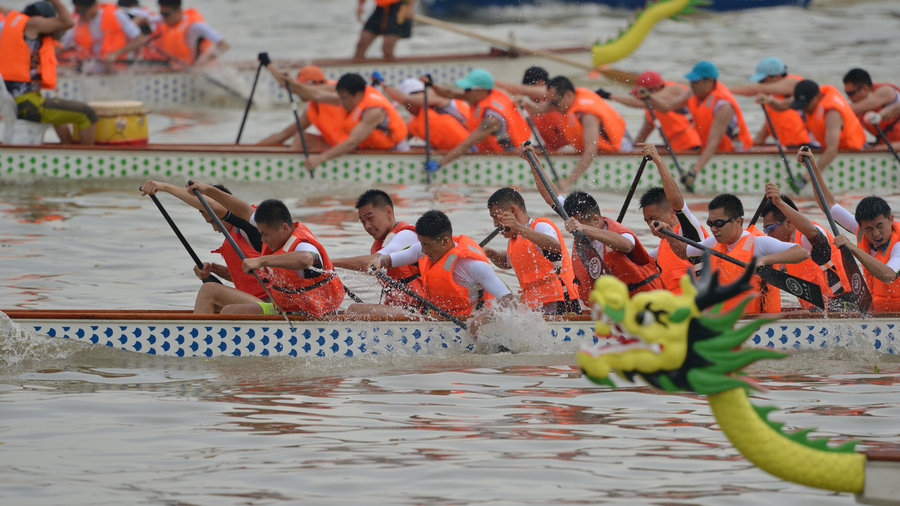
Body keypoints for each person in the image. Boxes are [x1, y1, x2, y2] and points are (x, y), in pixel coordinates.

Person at [184, 188, 346, 317]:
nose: (263, 240)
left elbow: (305, 260)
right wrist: (206, 189)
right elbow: (243, 210)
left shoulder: (301, 245)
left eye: (265, 235)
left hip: (308, 311)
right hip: (287, 305)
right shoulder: (273, 232)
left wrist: (262, 261)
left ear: (283, 228)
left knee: (223, 305)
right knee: (225, 309)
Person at [662, 192, 809, 314]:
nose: (713, 229)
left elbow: (801, 252)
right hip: (722, 319)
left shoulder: (759, 243)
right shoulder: (713, 242)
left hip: (755, 323)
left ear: (738, 221)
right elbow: (683, 252)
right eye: (710, 224)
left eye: (719, 223)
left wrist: (763, 261)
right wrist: (668, 232)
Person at [139, 179, 269, 314]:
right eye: (210, 223)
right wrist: (216, 271)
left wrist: (164, 186)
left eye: (214, 221)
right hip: (258, 302)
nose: (214, 229)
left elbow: (214, 207)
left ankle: (196, 333)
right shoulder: (234, 236)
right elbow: (257, 278)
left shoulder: (251, 225)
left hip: (273, 304)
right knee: (218, 305)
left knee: (209, 290)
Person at [369, 209, 516, 321]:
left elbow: (509, 301)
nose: (423, 250)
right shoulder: (424, 248)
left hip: (465, 321)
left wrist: (481, 322)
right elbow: (389, 260)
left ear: (445, 241)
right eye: (421, 244)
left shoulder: (472, 265)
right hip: (435, 318)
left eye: (427, 245)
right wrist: (378, 260)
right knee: (358, 309)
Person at [802, 147, 900, 312]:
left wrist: (852, 248)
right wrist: (813, 167)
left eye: (879, 226)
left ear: (890, 219)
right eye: (869, 229)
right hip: (879, 312)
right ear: (861, 226)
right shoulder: (862, 231)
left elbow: (889, 275)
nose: (875, 234)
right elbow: (829, 206)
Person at [0, 0, 99, 145]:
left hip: (18, 103)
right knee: (87, 113)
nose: (52, 25)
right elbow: (68, 22)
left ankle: (68, 152)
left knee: (59, 116)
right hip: (29, 105)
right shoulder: (33, 23)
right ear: (41, 17)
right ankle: (88, 159)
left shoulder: (13, 25)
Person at [284, 72, 409, 172]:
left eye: (344, 99)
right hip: (371, 148)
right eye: (340, 98)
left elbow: (352, 142)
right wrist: (293, 84)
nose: (341, 103)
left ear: (358, 95)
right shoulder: (353, 98)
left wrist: (320, 158)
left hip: (395, 151)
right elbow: (316, 95)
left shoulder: (374, 112)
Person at [483, 187, 580, 315]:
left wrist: (518, 228)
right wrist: (489, 252)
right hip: (535, 308)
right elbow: (506, 263)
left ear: (512, 210)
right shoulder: (515, 239)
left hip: (561, 304)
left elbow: (554, 246)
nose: (496, 224)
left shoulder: (540, 226)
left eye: (496, 217)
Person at [760, 181, 851, 310]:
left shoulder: (805, 237)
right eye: (765, 231)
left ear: (789, 222)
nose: (768, 235)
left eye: (770, 228)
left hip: (845, 306)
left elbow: (813, 233)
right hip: (821, 310)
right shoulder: (788, 249)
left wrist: (779, 203)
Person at [562, 191, 663, 303]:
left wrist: (583, 228)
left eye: (579, 226)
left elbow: (627, 245)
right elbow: (552, 197)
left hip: (644, 303)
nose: (577, 232)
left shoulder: (623, 234)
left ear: (596, 219)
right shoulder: (577, 224)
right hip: (611, 307)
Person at [332, 189, 425, 309]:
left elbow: (372, 261)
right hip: (405, 310)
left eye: (370, 218)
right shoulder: (379, 245)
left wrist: (330, 262)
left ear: (388, 212)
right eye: (363, 222)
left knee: (355, 309)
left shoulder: (406, 236)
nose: (367, 226)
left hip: (423, 311)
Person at [667, 61, 753, 188]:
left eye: (695, 81)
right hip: (713, 151)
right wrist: (648, 98)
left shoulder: (722, 105)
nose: (691, 85)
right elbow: (666, 107)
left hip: (733, 153)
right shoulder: (693, 95)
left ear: (709, 81)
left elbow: (713, 142)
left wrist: (693, 171)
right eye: (691, 81)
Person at [637, 143, 707, 293]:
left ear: (672, 212)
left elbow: (676, 201)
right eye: (646, 221)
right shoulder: (661, 249)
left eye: (653, 218)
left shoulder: (689, 229)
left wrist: (657, 160)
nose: (650, 225)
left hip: (700, 307)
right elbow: (637, 259)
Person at [543, 75, 629, 190]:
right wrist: (526, 104)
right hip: (597, 149)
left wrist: (569, 181)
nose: (552, 107)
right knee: (562, 151)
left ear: (568, 95)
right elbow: (539, 109)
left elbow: (590, 151)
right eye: (550, 103)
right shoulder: (568, 103)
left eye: (554, 103)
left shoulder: (588, 115)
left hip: (621, 149)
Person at [432, 68, 530, 168]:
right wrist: (431, 84)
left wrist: (440, 163)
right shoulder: (483, 95)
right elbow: (450, 93)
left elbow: (466, 145)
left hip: (513, 162)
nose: (465, 93)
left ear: (482, 90)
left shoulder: (491, 119)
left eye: (468, 89)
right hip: (501, 157)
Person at [600, 71, 702, 153]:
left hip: (694, 147)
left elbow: (642, 103)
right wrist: (631, 152)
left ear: (655, 89)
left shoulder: (673, 90)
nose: (639, 97)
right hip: (676, 149)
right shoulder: (652, 110)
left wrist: (609, 96)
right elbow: (642, 136)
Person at [780, 79, 866, 174]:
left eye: (805, 105)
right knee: (788, 147)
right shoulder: (813, 94)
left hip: (852, 153)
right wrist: (770, 101)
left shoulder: (832, 114)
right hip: (829, 148)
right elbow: (782, 105)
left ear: (816, 97)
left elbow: (832, 151)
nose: (803, 110)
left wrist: (806, 178)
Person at [730, 57, 812, 149]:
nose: (760, 84)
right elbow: (764, 133)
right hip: (789, 148)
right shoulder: (774, 97)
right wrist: (752, 146)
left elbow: (756, 89)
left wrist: (725, 91)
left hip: (808, 147)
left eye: (762, 81)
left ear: (777, 76)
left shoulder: (794, 83)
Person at [257, 64, 342, 151]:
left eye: (301, 86)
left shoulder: (337, 90)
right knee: (301, 137)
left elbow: (298, 88)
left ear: (316, 83)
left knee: (302, 139)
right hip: (338, 145)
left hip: (352, 145)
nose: (297, 92)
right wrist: (253, 149)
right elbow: (283, 134)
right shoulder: (311, 110)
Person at [380, 77, 471, 150]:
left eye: (408, 105)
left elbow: (405, 98)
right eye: (405, 106)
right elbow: (400, 138)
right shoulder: (414, 122)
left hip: (471, 148)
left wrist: (383, 85)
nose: (407, 109)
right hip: (453, 154)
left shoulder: (437, 98)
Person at [495, 65, 568, 152]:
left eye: (528, 88)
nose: (527, 94)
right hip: (553, 152)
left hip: (570, 149)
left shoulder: (555, 98)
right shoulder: (532, 109)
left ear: (540, 83)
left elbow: (520, 90)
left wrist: (495, 82)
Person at [61, 0, 147, 70]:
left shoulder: (116, 15)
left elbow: (139, 40)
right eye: (78, 11)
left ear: (94, 5)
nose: (81, 14)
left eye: (83, 11)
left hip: (116, 70)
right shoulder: (77, 21)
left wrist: (116, 54)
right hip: (91, 72)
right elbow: (62, 47)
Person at [150, 0, 227, 67]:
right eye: (161, 14)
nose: (163, 18)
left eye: (165, 15)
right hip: (179, 67)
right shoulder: (167, 19)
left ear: (178, 11)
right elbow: (145, 19)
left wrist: (201, 65)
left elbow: (223, 45)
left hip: (201, 70)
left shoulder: (196, 26)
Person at [842, 68, 900, 144]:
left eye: (851, 94)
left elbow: (850, 109)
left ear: (865, 88)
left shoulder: (886, 91)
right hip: (887, 146)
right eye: (847, 94)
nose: (849, 98)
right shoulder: (856, 107)